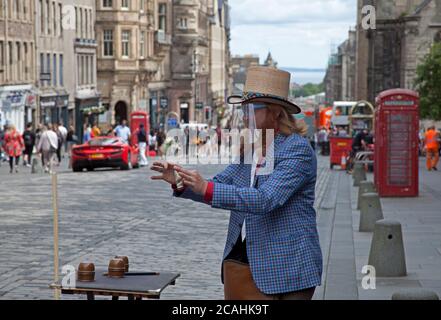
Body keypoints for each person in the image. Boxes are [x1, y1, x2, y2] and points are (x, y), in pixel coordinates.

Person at [150, 66, 322, 300]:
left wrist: (207, 188)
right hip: (254, 263)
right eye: (243, 108)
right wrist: (181, 181)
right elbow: (220, 183)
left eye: (251, 108)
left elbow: (266, 199)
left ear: (274, 112)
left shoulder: (296, 150)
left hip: (290, 266)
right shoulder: (253, 149)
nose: (244, 115)